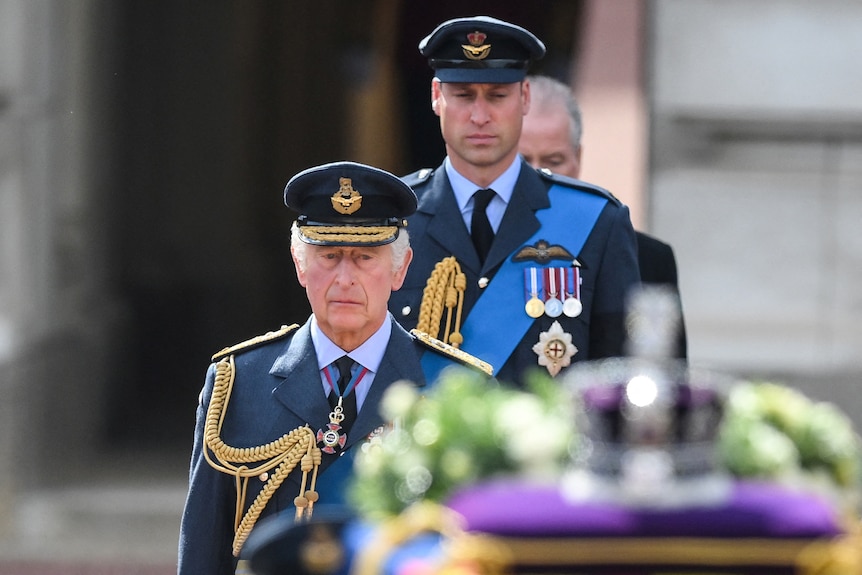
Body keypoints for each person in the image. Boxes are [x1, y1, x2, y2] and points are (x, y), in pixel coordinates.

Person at [177, 161, 491, 575]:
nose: (345, 278)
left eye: (364, 257)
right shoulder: (237, 382)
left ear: (400, 267)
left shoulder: (457, 387)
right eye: (328, 256)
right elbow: (204, 551)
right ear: (299, 263)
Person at [388, 16, 641, 385]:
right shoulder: (391, 221)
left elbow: (620, 374)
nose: (479, 116)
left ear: (523, 97)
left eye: (497, 95)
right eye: (463, 95)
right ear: (436, 97)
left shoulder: (596, 221)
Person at [519, 74, 687, 359]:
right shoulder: (474, 246)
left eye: (554, 161)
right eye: (524, 162)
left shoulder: (648, 258)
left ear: (578, 158)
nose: (540, 176)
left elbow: (666, 380)